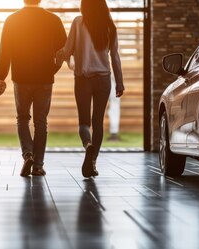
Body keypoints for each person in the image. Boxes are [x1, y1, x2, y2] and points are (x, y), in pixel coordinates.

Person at [0, 0, 67, 177]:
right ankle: (37, 166)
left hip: (21, 78)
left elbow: (5, 50)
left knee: (22, 119)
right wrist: (53, 69)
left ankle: (27, 154)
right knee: (41, 122)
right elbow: (63, 51)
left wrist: (0, 76)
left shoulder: (12, 20)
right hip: (44, 78)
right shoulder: (53, 19)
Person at [57, 0, 125, 177]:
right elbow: (115, 57)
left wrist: (58, 56)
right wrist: (120, 82)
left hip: (83, 80)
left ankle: (88, 145)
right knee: (98, 122)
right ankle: (92, 162)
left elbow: (67, 50)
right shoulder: (110, 26)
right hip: (104, 80)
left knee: (84, 122)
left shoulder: (78, 23)